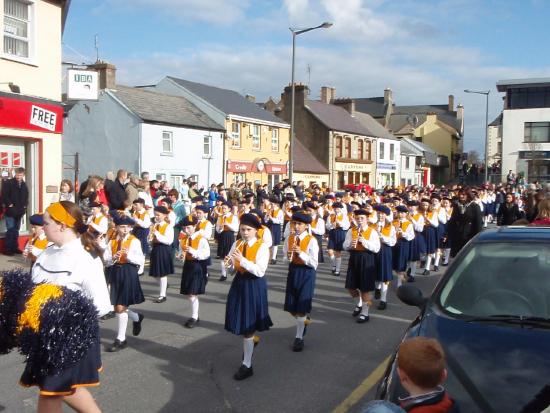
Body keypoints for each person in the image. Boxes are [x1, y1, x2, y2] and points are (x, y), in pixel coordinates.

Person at [24, 201, 111, 413]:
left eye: (45, 223)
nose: (41, 227)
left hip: (70, 339)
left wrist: (63, 318)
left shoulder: (86, 258)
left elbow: (101, 304)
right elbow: (34, 289)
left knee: (50, 392)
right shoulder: (47, 251)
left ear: (62, 225)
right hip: (44, 336)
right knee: (66, 389)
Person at [224, 213, 272, 381]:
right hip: (239, 283)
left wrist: (242, 260)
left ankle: (247, 364)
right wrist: (229, 264)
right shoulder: (237, 243)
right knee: (240, 320)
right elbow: (231, 269)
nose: (244, 233)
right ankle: (250, 344)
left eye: (248, 230)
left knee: (248, 326)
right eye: (242, 229)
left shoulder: (262, 247)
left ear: (256, 230)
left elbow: (260, 271)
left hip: (254, 285)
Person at [103, 214, 145, 352]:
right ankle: (137, 317)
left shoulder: (134, 241)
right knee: (117, 307)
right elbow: (106, 260)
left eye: (128, 227)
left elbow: (140, 260)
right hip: (116, 272)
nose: (125, 229)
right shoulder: (112, 242)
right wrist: (112, 258)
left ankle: (121, 339)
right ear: (116, 227)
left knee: (120, 307)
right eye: (122, 227)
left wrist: (128, 256)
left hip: (128, 272)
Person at [283, 212, 318, 352]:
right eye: (294, 223)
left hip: (306, 273)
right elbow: (285, 258)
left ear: (306, 226)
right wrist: (289, 257)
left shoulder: (311, 240)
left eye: (299, 224)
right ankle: (304, 321)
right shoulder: (289, 239)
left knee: (301, 306)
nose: (296, 226)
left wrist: (301, 253)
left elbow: (314, 263)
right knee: (292, 307)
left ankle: (299, 337)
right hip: (293, 271)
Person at [343, 209, 381, 323]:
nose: (359, 220)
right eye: (358, 218)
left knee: (365, 289)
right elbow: (344, 246)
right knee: (351, 287)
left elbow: (376, 248)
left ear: (367, 219)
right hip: (354, 258)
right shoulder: (351, 231)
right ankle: (359, 304)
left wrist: (364, 241)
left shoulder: (372, 232)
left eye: (362, 218)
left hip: (367, 258)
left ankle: (365, 313)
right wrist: (350, 244)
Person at [178, 215, 210, 328]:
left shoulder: (201, 239)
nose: (186, 230)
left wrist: (192, 251)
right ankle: (195, 315)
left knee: (192, 293)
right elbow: (182, 251)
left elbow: (206, 254)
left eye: (188, 228)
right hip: (188, 266)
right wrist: (182, 255)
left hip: (198, 266)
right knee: (189, 293)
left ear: (195, 226)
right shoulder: (184, 239)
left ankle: (194, 317)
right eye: (184, 228)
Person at [149, 205, 174, 303]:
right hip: (155, 249)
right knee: (155, 273)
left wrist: (157, 234)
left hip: (163, 250)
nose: (156, 217)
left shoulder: (168, 227)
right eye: (155, 215)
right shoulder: (155, 225)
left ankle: (162, 295)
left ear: (164, 215)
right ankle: (164, 285)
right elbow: (151, 238)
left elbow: (169, 241)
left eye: (158, 215)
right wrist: (150, 239)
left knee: (162, 273)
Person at [448, 190, 483, 257]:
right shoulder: (456, 205)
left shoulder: (474, 206)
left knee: (467, 254)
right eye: (460, 194)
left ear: (468, 195)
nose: (461, 196)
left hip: (469, 233)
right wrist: (449, 233)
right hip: (457, 234)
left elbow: (478, 223)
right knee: (457, 256)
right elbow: (452, 220)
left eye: (463, 194)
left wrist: (478, 236)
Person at [2, 167, 28, 255]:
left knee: (16, 230)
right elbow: (4, 195)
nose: (18, 177)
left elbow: (26, 197)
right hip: (10, 211)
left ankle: (14, 248)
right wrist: (10, 205)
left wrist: (25, 207)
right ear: (15, 174)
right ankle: (8, 249)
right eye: (17, 175)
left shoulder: (24, 185)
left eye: (20, 175)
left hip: (19, 212)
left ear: (23, 175)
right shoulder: (9, 183)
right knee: (10, 229)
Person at [374, 205, 396, 310]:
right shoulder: (372, 225)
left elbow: (393, 241)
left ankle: (383, 300)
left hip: (385, 251)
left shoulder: (390, 226)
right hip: (373, 251)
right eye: (378, 213)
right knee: (375, 273)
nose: (380, 215)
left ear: (386, 215)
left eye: (382, 214)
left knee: (384, 276)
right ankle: (377, 288)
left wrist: (383, 237)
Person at [216, 201, 239, 281]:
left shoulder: (234, 217)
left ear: (229, 209)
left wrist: (227, 224)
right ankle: (223, 274)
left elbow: (236, 228)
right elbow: (218, 230)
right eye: (222, 208)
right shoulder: (220, 217)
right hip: (222, 236)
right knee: (222, 256)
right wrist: (220, 228)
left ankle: (232, 269)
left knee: (230, 255)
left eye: (225, 208)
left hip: (230, 236)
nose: (223, 210)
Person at [326, 202, 350, 276]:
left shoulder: (344, 216)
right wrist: (331, 226)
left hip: (340, 233)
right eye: (335, 208)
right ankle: (334, 265)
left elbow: (347, 226)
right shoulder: (330, 216)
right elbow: (327, 225)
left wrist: (340, 224)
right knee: (330, 251)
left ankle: (338, 270)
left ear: (340, 209)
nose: (337, 210)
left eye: (338, 208)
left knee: (338, 252)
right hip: (332, 232)